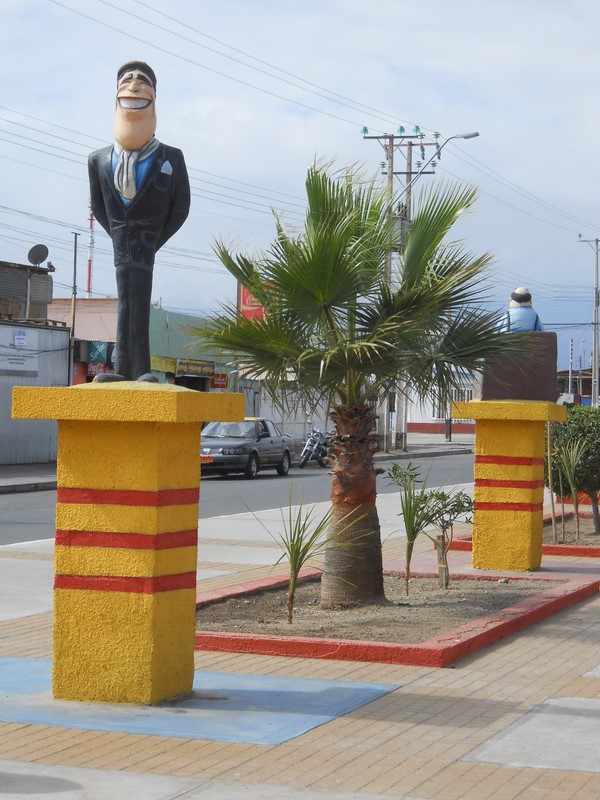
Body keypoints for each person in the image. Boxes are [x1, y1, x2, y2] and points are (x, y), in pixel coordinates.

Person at [88, 61, 190, 381]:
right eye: (126, 81)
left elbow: (180, 208)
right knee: (124, 304)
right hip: (122, 244)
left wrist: (152, 239)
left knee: (140, 303)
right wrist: (120, 235)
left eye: (142, 81)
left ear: (154, 97)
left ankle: (141, 369)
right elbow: (98, 206)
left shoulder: (171, 158)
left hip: (146, 243)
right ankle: (122, 370)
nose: (133, 86)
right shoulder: (99, 160)